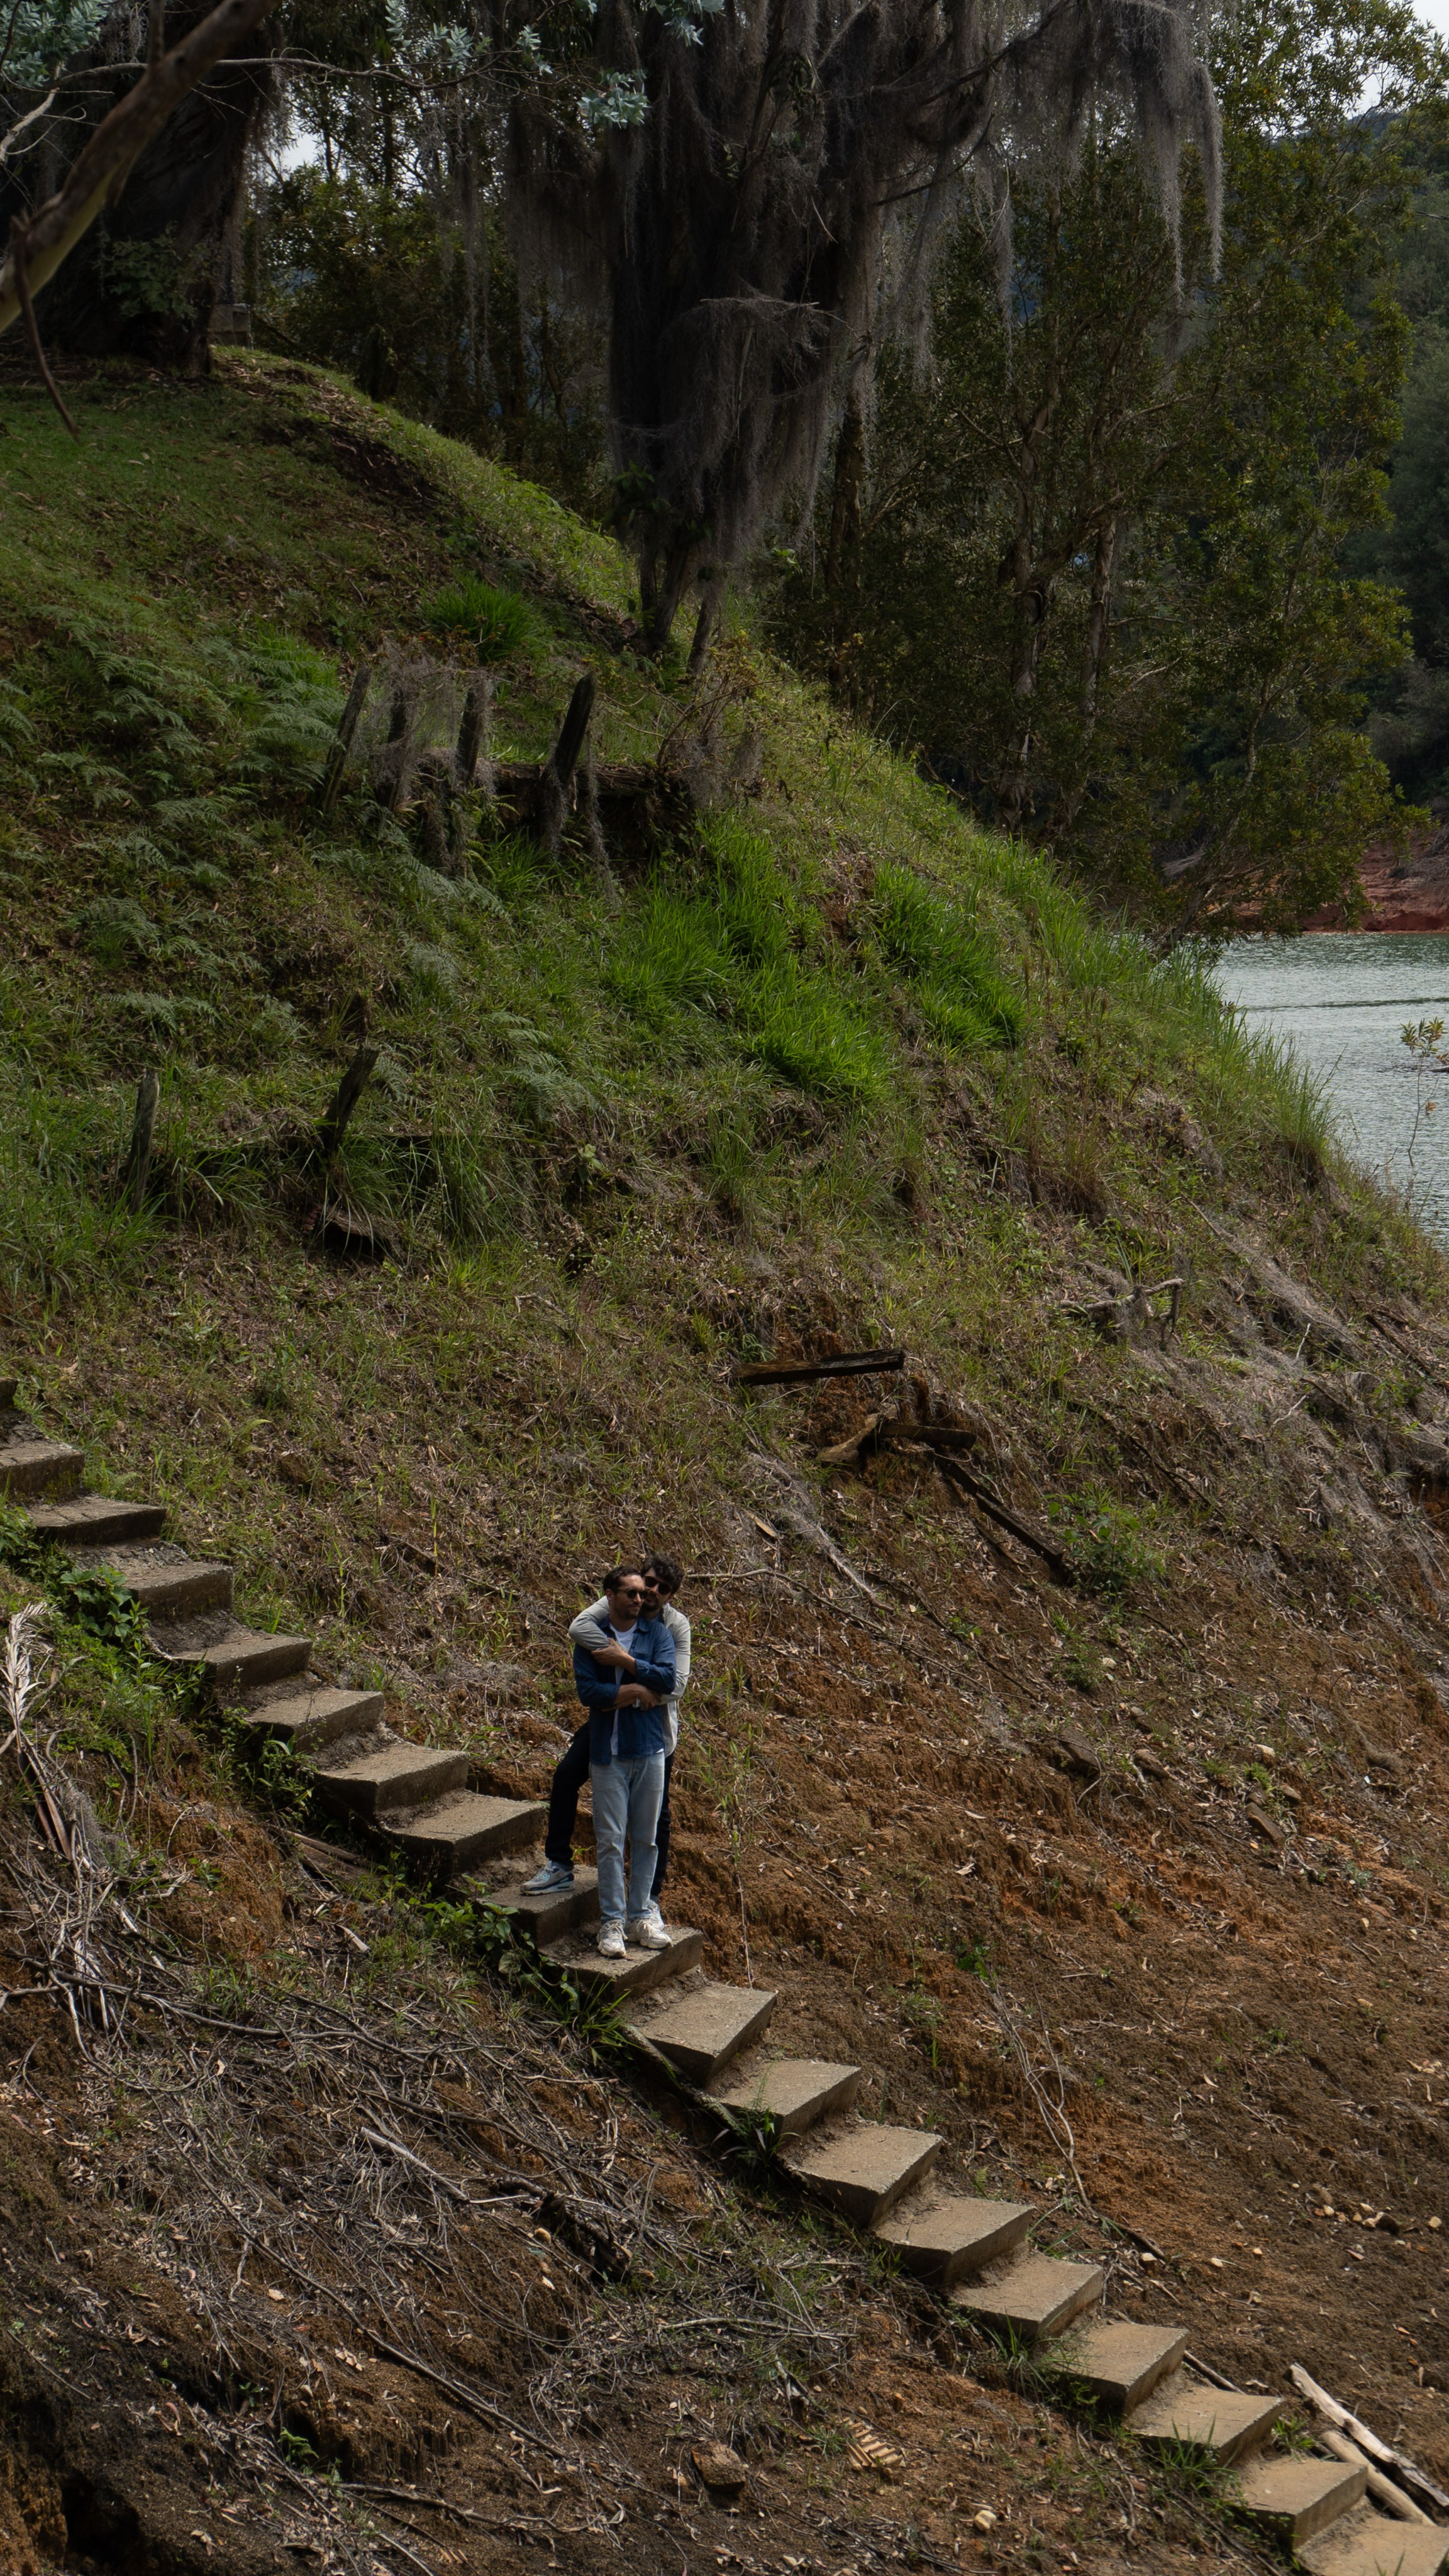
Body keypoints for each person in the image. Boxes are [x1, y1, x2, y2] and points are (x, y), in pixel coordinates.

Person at [525, 1554, 690, 1907]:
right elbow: (578, 1631)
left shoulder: (674, 1627)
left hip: (655, 1731)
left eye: (663, 1588)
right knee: (567, 1776)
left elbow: (675, 1687)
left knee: (656, 1817)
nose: (651, 1592)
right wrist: (624, 1690)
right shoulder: (615, 1603)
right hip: (608, 1724)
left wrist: (624, 1662)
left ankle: (650, 1898)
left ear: (671, 1595)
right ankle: (558, 1865)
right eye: (649, 1582)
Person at [569, 1566, 675, 1957]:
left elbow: (667, 1681)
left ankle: (640, 1916)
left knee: (646, 1839)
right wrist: (631, 1689)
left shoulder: (658, 1634)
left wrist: (627, 1663)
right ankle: (612, 1923)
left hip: (649, 1750)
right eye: (629, 1593)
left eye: (640, 1593)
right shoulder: (592, 1640)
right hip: (607, 1755)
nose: (639, 1598)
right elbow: (588, 1693)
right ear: (609, 1596)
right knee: (611, 1841)